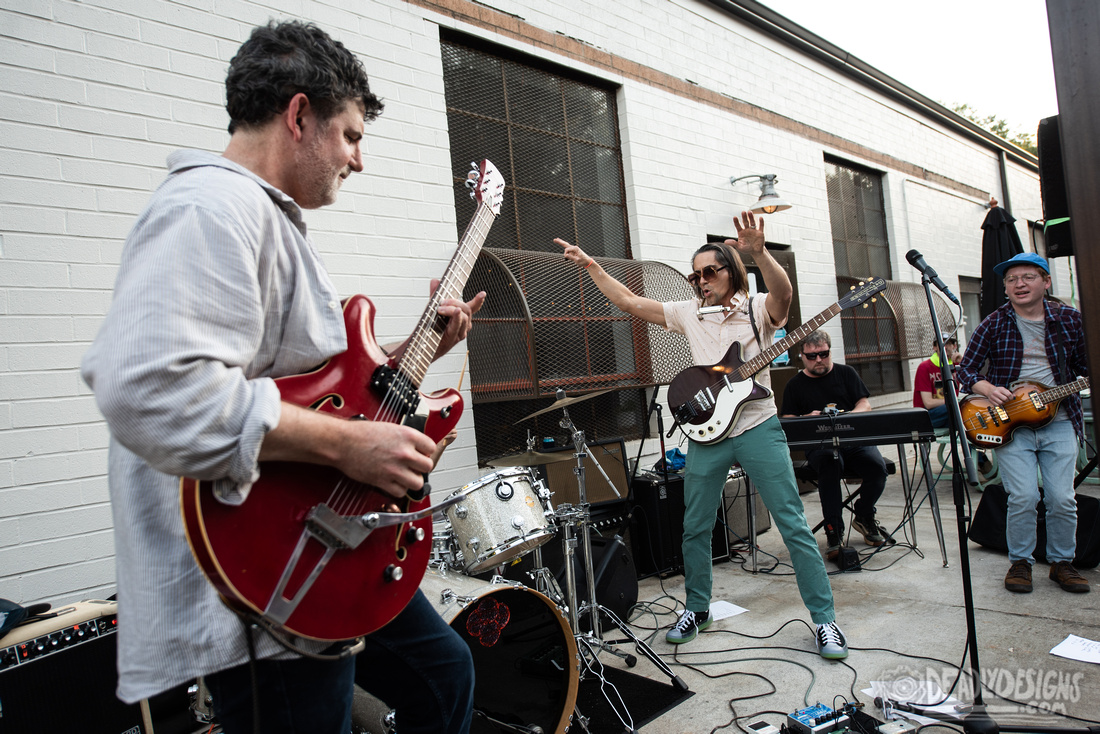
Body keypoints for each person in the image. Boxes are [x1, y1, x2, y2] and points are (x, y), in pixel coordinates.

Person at [81, 21, 485, 734]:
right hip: (271, 572)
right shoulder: (210, 208)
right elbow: (149, 384)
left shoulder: (262, 220)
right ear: (300, 116)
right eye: (352, 136)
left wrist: (414, 343)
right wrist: (347, 448)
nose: (358, 161)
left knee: (445, 674)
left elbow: (297, 374)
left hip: (330, 536)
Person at [555, 216, 849, 660]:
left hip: (757, 427)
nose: (700, 280)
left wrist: (760, 252)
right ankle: (697, 608)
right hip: (708, 436)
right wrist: (592, 265)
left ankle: (825, 621)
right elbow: (633, 304)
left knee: (791, 524)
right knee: (694, 527)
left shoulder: (757, 309)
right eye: (695, 274)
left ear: (732, 270)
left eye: (709, 271)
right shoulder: (687, 312)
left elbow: (784, 297)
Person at [955, 252, 1089, 595]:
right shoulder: (994, 323)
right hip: (1008, 424)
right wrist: (986, 388)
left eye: (1028, 277)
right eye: (1012, 280)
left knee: (1062, 498)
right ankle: (1021, 562)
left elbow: (1087, 367)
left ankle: (1062, 562)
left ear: (1046, 282)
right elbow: (965, 370)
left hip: (1059, 420)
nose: (1019, 284)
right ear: (1005, 288)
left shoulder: (1070, 321)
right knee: (1024, 496)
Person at [780, 331, 893, 561]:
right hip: (819, 446)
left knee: (876, 467)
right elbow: (787, 420)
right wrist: (806, 418)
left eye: (823, 354)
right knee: (830, 465)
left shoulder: (846, 373)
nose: (818, 360)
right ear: (801, 356)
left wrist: (851, 416)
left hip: (854, 441)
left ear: (830, 351)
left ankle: (863, 515)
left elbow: (865, 403)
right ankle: (834, 531)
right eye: (812, 356)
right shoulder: (795, 385)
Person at [913, 337, 959, 429]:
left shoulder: (955, 366)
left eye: (949, 344)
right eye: (942, 344)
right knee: (956, 409)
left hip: (948, 411)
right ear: (935, 347)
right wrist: (953, 401)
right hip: (927, 415)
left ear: (954, 346)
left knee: (968, 415)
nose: (945, 347)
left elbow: (972, 384)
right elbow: (928, 403)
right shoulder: (925, 367)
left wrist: (963, 362)